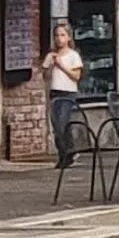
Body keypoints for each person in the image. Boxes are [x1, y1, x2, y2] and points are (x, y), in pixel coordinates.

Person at [44, 19, 87, 165]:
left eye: (62, 35)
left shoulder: (73, 55)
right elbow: (46, 77)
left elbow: (76, 76)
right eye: (56, 35)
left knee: (62, 124)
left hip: (68, 93)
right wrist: (49, 65)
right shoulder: (52, 55)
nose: (59, 39)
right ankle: (67, 153)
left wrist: (61, 66)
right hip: (55, 92)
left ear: (68, 37)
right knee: (57, 126)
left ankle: (66, 155)